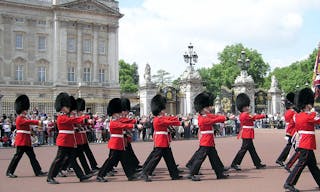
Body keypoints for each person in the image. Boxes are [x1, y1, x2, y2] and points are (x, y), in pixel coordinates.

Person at [46, 92, 92, 184]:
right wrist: (85, 119)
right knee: (58, 159)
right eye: (67, 107)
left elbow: (74, 121)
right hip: (64, 141)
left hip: (69, 141)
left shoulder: (65, 116)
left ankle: (81, 176)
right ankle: (50, 177)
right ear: (63, 107)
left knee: (72, 159)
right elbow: (73, 120)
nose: (69, 108)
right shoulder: (61, 117)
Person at [187, 91, 231, 181]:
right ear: (202, 108)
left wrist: (224, 117)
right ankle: (192, 173)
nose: (209, 108)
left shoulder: (206, 115)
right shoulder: (203, 119)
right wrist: (226, 118)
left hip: (209, 140)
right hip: (206, 141)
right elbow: (215, 120)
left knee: (214, 158)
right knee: (200, 158)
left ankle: (219, 173)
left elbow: (214, 117)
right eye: (207, 107)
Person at [284, 88, 320, 192]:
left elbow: (292, 126)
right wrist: (313, 112)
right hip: (307, 143)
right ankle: (289, 183)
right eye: (310, 104)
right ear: (307, 104)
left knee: (313, 166)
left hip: (303, 142)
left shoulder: (297, 116)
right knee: (300, 165)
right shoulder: (309, 116)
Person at [140, 94, 183, 182]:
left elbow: (169, 119)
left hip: (164, 140)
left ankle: (174, 174)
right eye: (163, 109)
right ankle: (145, 173)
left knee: (169, 158)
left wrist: (177, 118)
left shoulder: (161, 118)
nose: (164, 110)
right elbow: (170, 121)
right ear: (159, 110)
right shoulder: (158, 119)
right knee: (155, 158)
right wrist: (179, 121)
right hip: (161, 140)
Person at [96, 98, 139, 182]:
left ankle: (130, 175)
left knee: (125, 160)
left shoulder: (118, 120)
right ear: (114, 114)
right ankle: (100, 175)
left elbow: (125, 122)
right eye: (118, 113)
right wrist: (135, 126)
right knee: (110, 161)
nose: (120, 114)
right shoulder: (113, 122)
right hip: (115, 144)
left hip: (120, 144)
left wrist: (134, 122)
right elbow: (122, 126)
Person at [6, 95, 47, 178]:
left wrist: (34, 131)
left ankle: (38, 171)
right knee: (17, 157)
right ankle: (9, 172)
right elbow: (30, 122)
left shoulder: (24, 118)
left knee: (32, 157)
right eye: (25, 110)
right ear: (21, 110)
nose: (26, 111)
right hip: (22, 141)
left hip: (26, 141)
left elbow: (29, 126)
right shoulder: (20, 118)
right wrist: (39, 122)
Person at [230, 93, 267, 171]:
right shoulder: (245, 115)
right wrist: (263, 116)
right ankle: (235, 163)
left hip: (248, 133)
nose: (248, 107)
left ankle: (257, 163)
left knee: (251, 149)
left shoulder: (246, 114)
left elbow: (253, 117)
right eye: (246, 106)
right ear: (242, 108)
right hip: (246, 133)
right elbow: (254, 117)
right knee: (243, 149)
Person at [76, 98, 99, 172]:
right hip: (77, 138)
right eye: (80, 111)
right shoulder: (75, 117)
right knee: (73, 155)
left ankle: (93, 166)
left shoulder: (81, 116)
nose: (81, 112)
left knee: (88, 152)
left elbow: (86, 122)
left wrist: (90, 120)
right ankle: (62, 167)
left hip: (83, 138)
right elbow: (80, 121)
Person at [276, 92, 296, 166]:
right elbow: (293, 122)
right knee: (295, 146)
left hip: (290, 130)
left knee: (291, 145)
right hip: (292, 130)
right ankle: (281, 159)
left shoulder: (287, 112)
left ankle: (281, 159)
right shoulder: (292, 112)